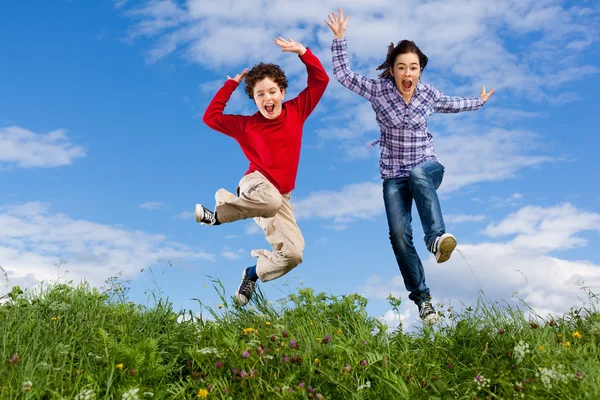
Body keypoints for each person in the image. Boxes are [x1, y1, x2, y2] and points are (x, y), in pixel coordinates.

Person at [325, 9, 495, 324]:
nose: (408, 73)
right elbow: (345, 76)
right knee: (399, 234)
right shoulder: (379, 91)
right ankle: (423, 300)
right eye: (401, 67)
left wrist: (479, 100)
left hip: (427, 167)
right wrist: (339, 40)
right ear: (392, 70)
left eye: (413, 68)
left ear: (420, 71)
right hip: (393, 176)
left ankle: (436, 239)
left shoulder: (428, 95)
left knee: (419, 174)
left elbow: (453, 104)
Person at [196, 36, 329, 306]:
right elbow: (211, 117)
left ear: (282, 92)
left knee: (294, 254)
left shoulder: (297, 110)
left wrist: (303, 52)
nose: (267, 98)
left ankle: (252, 273)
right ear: (254, 99)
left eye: (271, 91)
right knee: (270, 200)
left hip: (281, 198)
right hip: (255, 185)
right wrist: (230, 85)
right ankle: (218, 215)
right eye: (260, 94)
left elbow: (320, 81)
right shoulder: (247, 125)